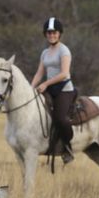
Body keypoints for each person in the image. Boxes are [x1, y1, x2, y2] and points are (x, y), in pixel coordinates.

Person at [31, 17, 76, 164]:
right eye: (49, 33)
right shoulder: (45, 53)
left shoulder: (64, 50)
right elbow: (39, 72)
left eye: (54, 32)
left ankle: (68, 147)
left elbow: (64, 73)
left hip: (64, 89)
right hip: (50, 88)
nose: (52, 35)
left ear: (59, 33)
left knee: (60, 118)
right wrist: (30, 88)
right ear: (45, 34)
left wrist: (45, 84)